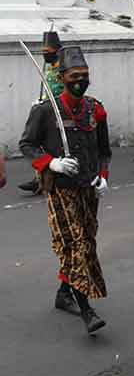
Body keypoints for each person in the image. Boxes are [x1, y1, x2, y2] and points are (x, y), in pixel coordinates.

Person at [19, 45, 111, 335]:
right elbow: (27, 144)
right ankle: (87, 310)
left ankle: (63, 293)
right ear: (62, 76)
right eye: (74, 75)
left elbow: (104, 150)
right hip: (61, 189)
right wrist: (52, 163)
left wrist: (103, 176)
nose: (80, 80)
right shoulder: (46, 111)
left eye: (85, 75)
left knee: (87, 240)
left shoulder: (95, 108)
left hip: (88, 188)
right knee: (74, 245)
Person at [20, 31, 66, 194]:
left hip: (60, 112)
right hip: (47, 111)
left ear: (57, 50)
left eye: (48, 52)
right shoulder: (50, 67)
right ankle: (39, 178)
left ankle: (46, 179)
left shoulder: (64, 67)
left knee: (52, 146)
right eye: (43, 52)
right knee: (39, 143)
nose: (45, 55)